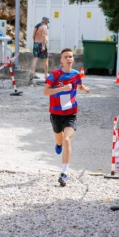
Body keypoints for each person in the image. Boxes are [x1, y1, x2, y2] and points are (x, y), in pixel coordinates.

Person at [43, 48, 90, 187]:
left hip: (71, 112)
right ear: (61, 60)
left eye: (71, 56)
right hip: (56, 113)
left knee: (67, 139)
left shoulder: (76, 75)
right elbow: (45, 91)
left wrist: (84, 89)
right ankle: (58, 144)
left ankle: (64, 173)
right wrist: (61, 89)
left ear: (73, 59)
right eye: (66, 57)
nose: (69, 59)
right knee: (59, 139)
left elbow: (79, 86)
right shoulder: (55, 74)